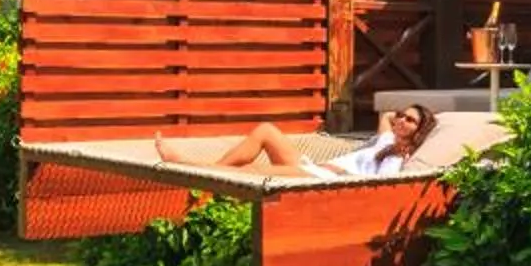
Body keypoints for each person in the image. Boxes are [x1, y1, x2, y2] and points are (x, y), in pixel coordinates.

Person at [155, 103, 436, 179]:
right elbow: (385, 115)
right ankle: (210, 178)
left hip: (322, 178)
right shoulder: (385, 141)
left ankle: (185, 164)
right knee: (265, 130)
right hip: (315, 166)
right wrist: (399, 121)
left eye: (410, 120)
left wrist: (413, 145)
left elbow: (378, 187)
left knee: (252, 174)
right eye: (402, 116)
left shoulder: (397, 160)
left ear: (419, 131)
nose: (401, 120)